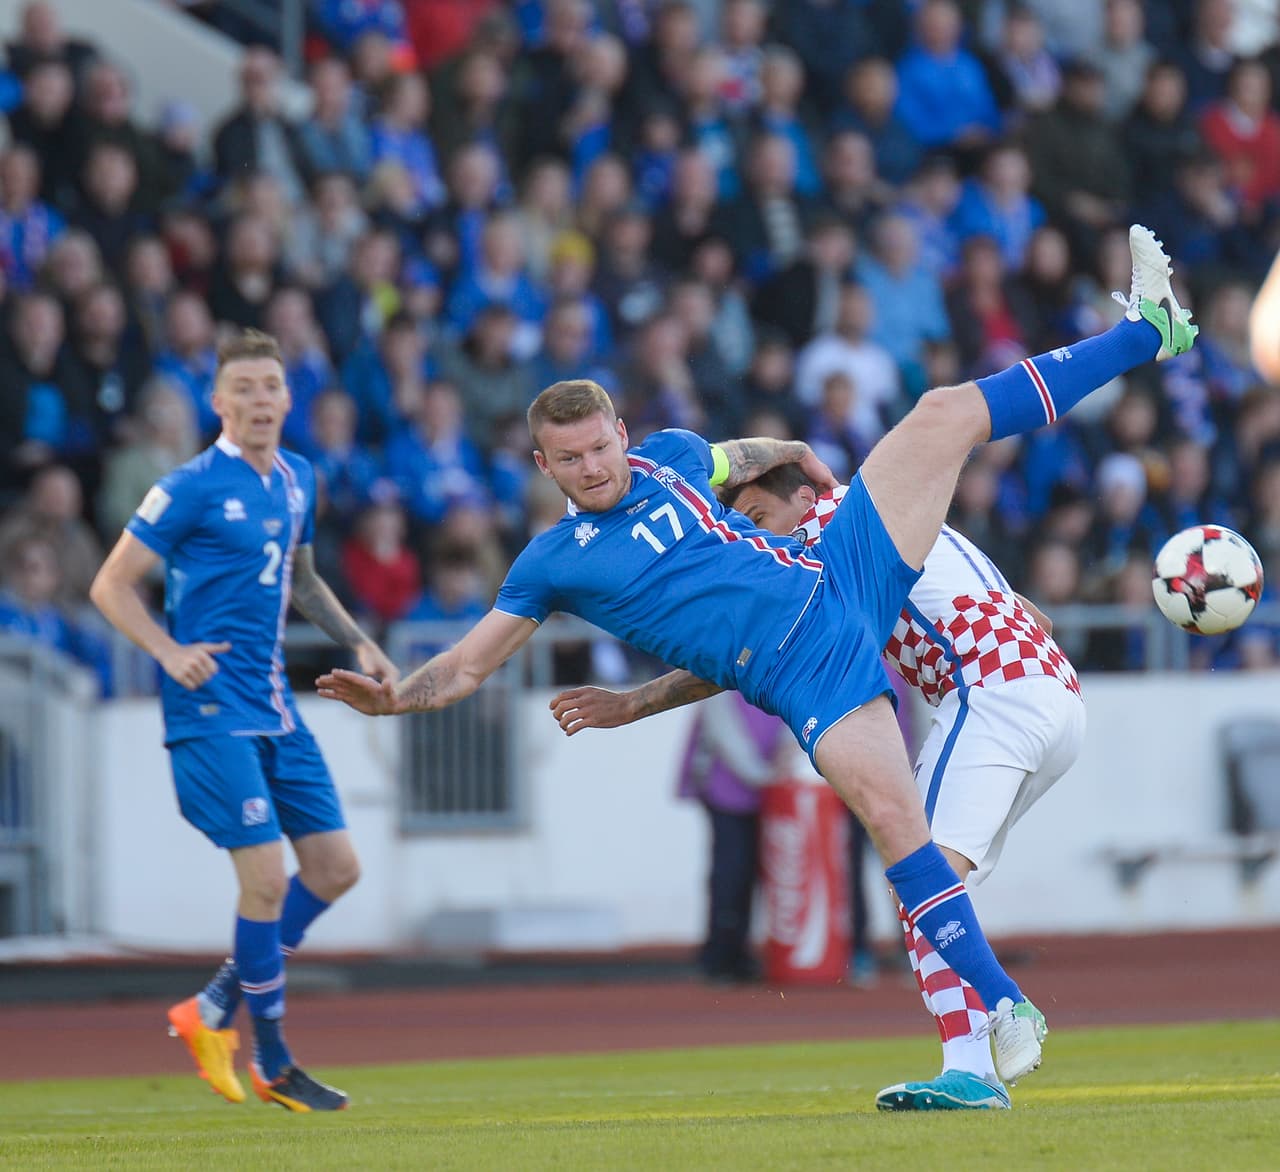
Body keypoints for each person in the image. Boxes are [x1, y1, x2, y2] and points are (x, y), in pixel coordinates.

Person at [318, 226, 1197, 1092]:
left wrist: (796, 454)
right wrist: (396, 699)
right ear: (543, 464)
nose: (592, 467)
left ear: (622, 433)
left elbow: (740, 454)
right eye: (571, 459)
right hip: (804, 676)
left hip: (842, 574)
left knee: (942, 414)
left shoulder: (666, 459)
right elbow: (467, 667)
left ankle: (1147, 331)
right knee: (903, 835)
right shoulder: (553, 561)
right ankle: (1005, 1010)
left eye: (600, 447)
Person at [550, 457, 1084, 1109]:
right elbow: (1038, 620)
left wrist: (635, 703)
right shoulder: (902, 523)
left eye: (758, 520)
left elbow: (753, 643)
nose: (757, 540)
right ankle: (975, 1056)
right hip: (1055, 697)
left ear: (806, 499)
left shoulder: (829, 531)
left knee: (919, 873)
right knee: (936, 881)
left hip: (988, 696)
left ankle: (977, 1059)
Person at [90, 329, 398, 1112]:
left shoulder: (299, 477)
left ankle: (211, 1006)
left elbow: (302, 577)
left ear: (289, 399)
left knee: (335, 868)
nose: (262, 400)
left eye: (273, 386)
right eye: (246, 389)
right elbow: (111, 585)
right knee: (263, 879)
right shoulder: (190, 485)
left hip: (273, 706)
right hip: (207, 707)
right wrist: (167, 650)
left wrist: (359, 639)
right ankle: (273, 1060)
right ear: (218, 402)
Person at [676, 689, 789, 984]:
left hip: (768, 785)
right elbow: (723, 731)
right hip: (726, 783)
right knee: (731, 870)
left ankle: (737, 953)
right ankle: (720, 954)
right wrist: (764, 775)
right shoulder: (722, 664)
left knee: (751, 869)